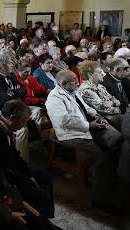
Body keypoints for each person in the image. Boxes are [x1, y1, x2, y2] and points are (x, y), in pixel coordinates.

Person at [46, 70, 121, 214]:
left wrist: (96, 116)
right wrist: (89, 125)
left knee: (117, 139)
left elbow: (85, 107)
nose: (78, 82)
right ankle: (100, 200)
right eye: (74, 80)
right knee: (101, 160)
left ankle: (108, 178)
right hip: (71, 134)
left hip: (86, 126)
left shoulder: (72, 90)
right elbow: (65, 120)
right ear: (63, 84)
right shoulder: (54, 98)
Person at [0, 100, 55, 218]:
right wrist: (26, 179)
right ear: (13, 118)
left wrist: (28, 173)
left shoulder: (6, 128)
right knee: (41, 195)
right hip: (6, 179)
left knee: (45, 177)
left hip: (15, 172)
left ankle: (44, 219)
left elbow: (15, 156)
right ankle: (39, 219)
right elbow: (5, 168)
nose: (24, 125)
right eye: (23, 121)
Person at [78, 60, 123, 130]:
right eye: (99, 72)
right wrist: (115, 104)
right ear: (90, 75)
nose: (103, 74)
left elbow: (117, 101)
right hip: (104, 120)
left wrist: (112, 102)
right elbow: (104, 109)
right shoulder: (86, 90)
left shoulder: (100, 86)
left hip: (114, 116)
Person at [0, 54, 26, 119]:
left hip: (15, 109)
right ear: (3, 67)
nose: (12, 65)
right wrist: (17, 93)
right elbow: (4, 100)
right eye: (10, 63)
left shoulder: (11, 75)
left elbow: (24, 89)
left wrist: (13, 93)